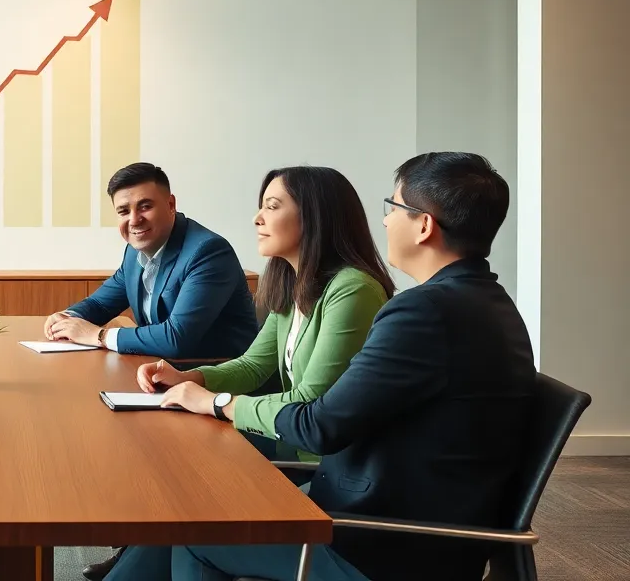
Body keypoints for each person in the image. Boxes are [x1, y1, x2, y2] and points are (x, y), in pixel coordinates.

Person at [106, 152, 535, 581]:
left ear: (423, 226)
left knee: (195, 532)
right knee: (191, 510)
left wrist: (217, 402)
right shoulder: (482, 303)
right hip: (385, 503)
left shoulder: (422, 313)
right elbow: (270, 373)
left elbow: (318, 423)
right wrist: (194, 382)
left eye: (394, 208)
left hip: (383, 540)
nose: (385, 221)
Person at [91, 166, 393, 581]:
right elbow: (253, 365)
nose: (257, 219)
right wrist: (190, 380)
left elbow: (309, 404)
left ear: (315, 216)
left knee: (191, 517)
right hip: (290, 442)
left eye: (272, 206)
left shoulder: (352, 289)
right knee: (184, 501)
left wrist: (216, 403)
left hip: (326, 468)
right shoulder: (293, 281)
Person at [46, 162, 258, 360]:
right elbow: (100, 304)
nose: (134, 219)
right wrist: (68, 317)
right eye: (123, 211)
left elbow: (177, 338)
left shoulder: (207, 252)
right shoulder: (134, 252)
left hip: (214, 375)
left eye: (145, 206)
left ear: (171, 204)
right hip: (160, 370)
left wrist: (99, 336)